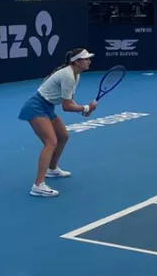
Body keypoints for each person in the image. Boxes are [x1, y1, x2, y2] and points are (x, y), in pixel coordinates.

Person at [17, 47, 97, 197]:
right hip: (36, 106)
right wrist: (86, 107)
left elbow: (69, 101)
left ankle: (52, 169)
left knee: (63, 136)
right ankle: (38, 185)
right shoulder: (68, 75)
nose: (89, 61)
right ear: (77, 61)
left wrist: (83, 110)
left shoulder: (75, 75)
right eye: (86, 59)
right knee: (51, 142)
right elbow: (66, 107)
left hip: (47, 107)